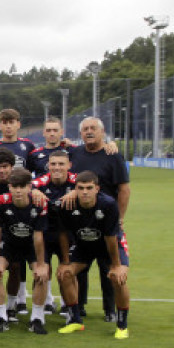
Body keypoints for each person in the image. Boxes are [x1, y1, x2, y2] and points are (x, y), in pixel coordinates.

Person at [62, 116, 130, 323]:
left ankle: (110, 309)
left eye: (93, 128)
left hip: (106, 217)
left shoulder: (113, 155)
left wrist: (119, 217)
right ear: (81, 134)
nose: (89, 132)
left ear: (102, 132)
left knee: (108, 266)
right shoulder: (75, 153)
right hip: (81, 219)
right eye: (85, 129)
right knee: (80, 266)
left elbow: (124, 189)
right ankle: (79, 306)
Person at [55, 171, 131, 339]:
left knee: (117, 278)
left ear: (97, 188)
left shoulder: (109, 204)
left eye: (89, 188)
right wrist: (65, 262)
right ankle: (75, 320)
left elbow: (111, 237)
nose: (85, 192)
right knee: (64, 274)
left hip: (110, 245)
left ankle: (122, 325)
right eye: (80, 188)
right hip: (83, 245)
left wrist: (116, 266)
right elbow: (63, 233)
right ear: (74, 189)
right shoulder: (66, 205)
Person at [0, 168, 51, 334]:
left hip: (30, 245)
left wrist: (42, 264)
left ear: (30, 187)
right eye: (15, 186)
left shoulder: (40, 203)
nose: (18, 190)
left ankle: (36, 318)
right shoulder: (0, 201)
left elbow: (38, 237)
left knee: (42, 274)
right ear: (9, 187)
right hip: (8, 244)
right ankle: (2, 318)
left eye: (22, 186)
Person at [31, 150, 75, 315]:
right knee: (43, 271)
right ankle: (43, 306)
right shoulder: (42, 181)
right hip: (45, 233)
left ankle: (69, 305)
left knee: (68, 271)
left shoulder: (77, 182)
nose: (57, 167)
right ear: (48, 166)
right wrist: (33, 191)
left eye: (61, 164)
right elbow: (28, 185)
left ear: (69, 166)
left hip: (69, 235)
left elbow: (92, 186)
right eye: (53, 164)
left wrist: (77, 192)